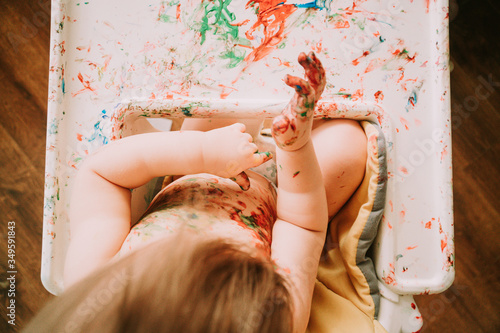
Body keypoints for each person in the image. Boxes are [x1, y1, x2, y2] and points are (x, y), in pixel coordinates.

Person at [25, 52, 367, 333]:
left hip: (198, 168)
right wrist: (296, 146)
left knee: (225, 78)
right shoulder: (274, 319)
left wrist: (202, 152)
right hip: (281, 205)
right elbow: (302, 227)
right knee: (347, 145)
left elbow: (102, 174)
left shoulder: (94, 282)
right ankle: (289, 131)